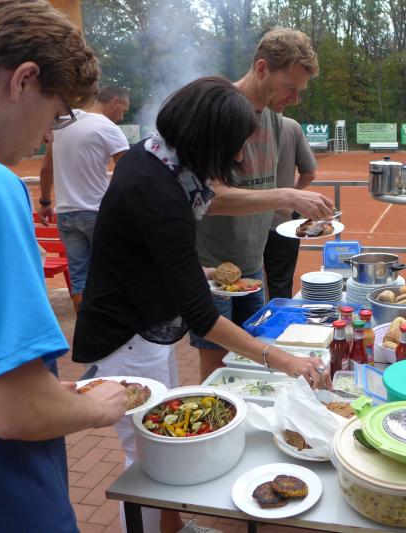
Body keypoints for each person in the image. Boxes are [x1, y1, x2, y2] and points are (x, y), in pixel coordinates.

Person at [73, 77, 332, 533]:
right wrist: (284, 360)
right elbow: (203, 317)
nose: (237, 156)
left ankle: (173, 527)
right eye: (233, 146)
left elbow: (146, 249)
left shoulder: (155, 160)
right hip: (126, 336)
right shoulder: (159, 191)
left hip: (141, 324)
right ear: (207, 138)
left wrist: (201, 272)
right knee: (146, 457)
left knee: (159, 448)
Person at [0, 1, 128, 531]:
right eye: (55, 115)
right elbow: (15, 410)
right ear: (24, 80)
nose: (48, 137)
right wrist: (98, 408)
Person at [193, 28, 334, 381]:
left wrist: (291, 202)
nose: (295, 98)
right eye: (290, 87)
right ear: (261, 69)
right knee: (218, 371)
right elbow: (211, 198)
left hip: (253, 266)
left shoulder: (274, 118)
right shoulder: (218, 113)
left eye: (300, 90)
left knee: (255, 364)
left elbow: (259, 190)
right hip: (213, 268)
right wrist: (288, 195)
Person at [38, 85, 131, 312]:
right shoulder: (107, 127)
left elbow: (47, 167)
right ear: (115, 101)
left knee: (79, 276)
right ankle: (112, 323)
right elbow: (128, 173)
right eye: (124, 110)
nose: (122, 117)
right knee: (114, 271)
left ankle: (86, 324)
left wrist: (45, 202)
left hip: (65, 213)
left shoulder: (62, 123)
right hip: (98, 212)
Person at [263, 116, 318, 300]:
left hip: (244, 222)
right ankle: (279, 318)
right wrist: (290, 195)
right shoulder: (291, 126)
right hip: (283, 222)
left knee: (246, 284)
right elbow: (309, 173)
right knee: (281, 283)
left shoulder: (240, 120)